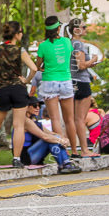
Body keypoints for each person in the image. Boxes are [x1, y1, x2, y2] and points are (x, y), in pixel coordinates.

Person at [0, 21, 38, 169]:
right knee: (18, 125)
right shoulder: (20, 51)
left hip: (1, 89)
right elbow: (34, 68)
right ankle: (17, 159)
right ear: (17, 34)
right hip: (18, 89)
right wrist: (26, 80)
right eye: (21, 32)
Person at [35, 15, 75, 145]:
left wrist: (41, 68)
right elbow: (68, 56)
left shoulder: (43, 46)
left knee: (55, 119)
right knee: (69, 119)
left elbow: (38, 65)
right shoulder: (67, 42)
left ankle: (63, 152)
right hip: (66, 81)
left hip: (49, 82)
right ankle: (74, 150)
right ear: (58, 28)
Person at [67, 18, 100, 158]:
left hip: (71, 82)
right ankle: (85, 150)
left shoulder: (68, 43)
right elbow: (81, 66)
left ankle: (74, 150)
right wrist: (92, 60)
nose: (85, 29)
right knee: (80, 119)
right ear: (76, 30)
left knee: (72, 118)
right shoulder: (78, 44)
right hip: (81, 82)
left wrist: (89, 63)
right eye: (83, 27)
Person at [22, 96, 81, 173]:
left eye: (39, 106)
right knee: (49, 140)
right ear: (26, 108)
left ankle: (65, 163)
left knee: (53, 138)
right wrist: (60, 140)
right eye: (34, 106)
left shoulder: (35, 121)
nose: (38, 108)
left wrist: (64, 139)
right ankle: (64, 164)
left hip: (35, 155)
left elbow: (51, 133)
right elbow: (45, 137)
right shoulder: (26, 121)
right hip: (27, 157)